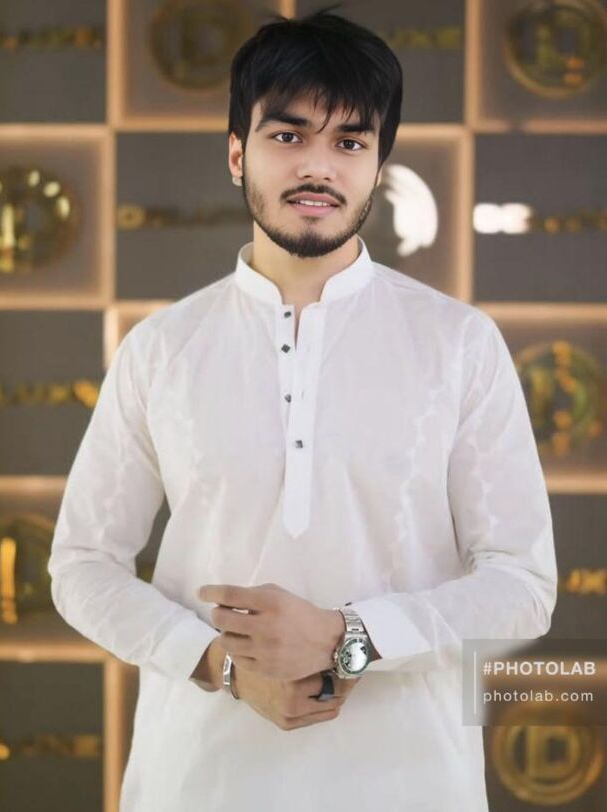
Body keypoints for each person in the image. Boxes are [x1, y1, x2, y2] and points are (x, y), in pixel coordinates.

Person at [47, 8, 558, 811]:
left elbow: (522, 584)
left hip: (410, 784)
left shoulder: (458, 343)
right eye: (288, 136)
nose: (318, 166)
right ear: (236, 153)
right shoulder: (163, 349)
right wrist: (220, 665)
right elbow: (81, 565)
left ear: (378, 165)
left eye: (350, 142)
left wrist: (349, 638)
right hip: (198, 780)